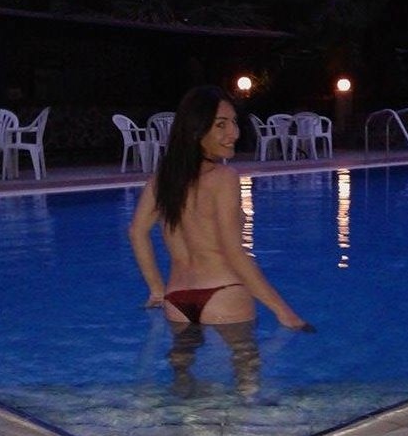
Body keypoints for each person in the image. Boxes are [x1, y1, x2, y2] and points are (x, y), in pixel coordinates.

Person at [129, 85, 311, 394]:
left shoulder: (162, 181)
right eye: (220, 125)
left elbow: (136, 232)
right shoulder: (224, 178)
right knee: (246, 379)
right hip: (223, 294)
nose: (233, 133)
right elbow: (234, 253)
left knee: (183, 383)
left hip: (177, 299)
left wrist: (157, 289)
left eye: (234, 122)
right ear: (196, 130)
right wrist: (283, 311)